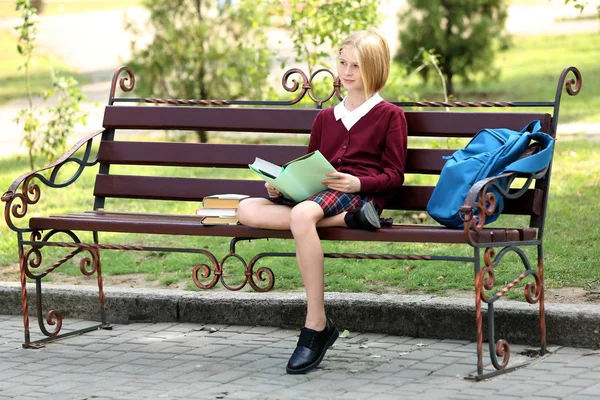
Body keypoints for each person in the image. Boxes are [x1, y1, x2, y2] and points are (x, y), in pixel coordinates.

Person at [236, 28, 408, 374]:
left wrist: (357, 182)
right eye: (342, 63)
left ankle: (316, 324)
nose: (346, 72)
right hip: (320, 199)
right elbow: (309, 165)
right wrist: (282, 187)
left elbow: (394, 176)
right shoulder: (326, 118)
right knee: (246, 208)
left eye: (356, 66)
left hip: (356, 193)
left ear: (375, 69)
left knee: (302, 217)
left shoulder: (390, 116)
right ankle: (352, 219)